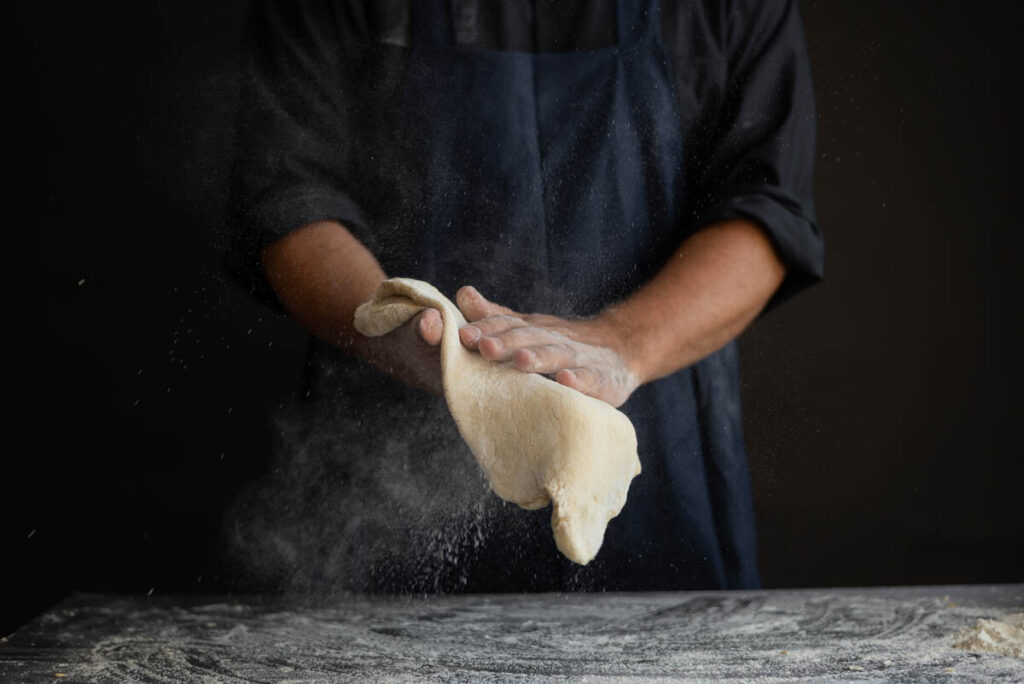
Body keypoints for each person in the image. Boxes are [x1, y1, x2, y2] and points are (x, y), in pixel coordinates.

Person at [226, 0, 823, 592]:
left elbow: (767, 207)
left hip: (661, 464)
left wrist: (621, 344)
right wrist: (405, 333)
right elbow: (289, 195)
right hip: (383, 462)